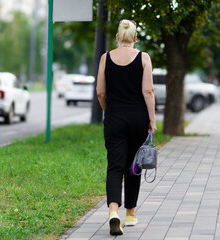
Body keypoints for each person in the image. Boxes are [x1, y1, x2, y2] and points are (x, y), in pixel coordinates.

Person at [96, 19, 157, 236]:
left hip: (114, 118)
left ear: (117, 38)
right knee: (134, 165)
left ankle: (114, 211)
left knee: (114, 165)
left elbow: (100, 92)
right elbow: (148, 91)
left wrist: (108, 111)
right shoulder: (143, 58)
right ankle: (130, 214)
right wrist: (152, 119)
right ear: (135, 38)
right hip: (138, 118)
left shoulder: (106, 58)